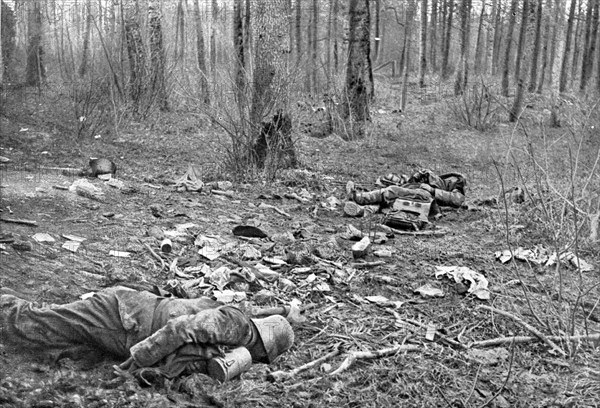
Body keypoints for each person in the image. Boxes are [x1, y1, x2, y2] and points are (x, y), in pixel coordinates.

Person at [0, 286, 294, 379]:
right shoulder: (238, 326)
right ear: (262, 348)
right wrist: (140, 359)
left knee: (54, 329)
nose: (255, 361)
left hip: (128, 323)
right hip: (121, 317)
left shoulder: (238, 326)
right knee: (33, 323)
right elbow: (181, 328)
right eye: (261, 358)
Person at [344, 169, 467, 218]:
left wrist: (433, 190)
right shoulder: (437, 180)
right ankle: (362, 210)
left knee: (392, 191)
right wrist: (417, 177)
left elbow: (458, 200)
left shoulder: (454, 185)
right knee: (390, 200)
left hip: (424, 197)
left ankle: (358, 198)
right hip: (416, 193)